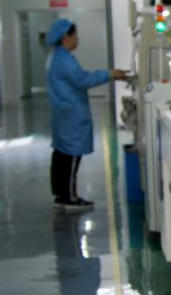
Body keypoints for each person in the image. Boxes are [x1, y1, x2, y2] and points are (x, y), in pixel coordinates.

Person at [44, 18, 128, 210]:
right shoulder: (64, 60)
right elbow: (82, 79)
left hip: (62, 113)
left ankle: (61, 195)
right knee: (71, 156)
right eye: (75, 35)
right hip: (71, 114)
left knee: (61, 155)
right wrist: (110, 74)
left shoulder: (55, 57)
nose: (77, 39)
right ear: (66, 37)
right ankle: (69, 198)